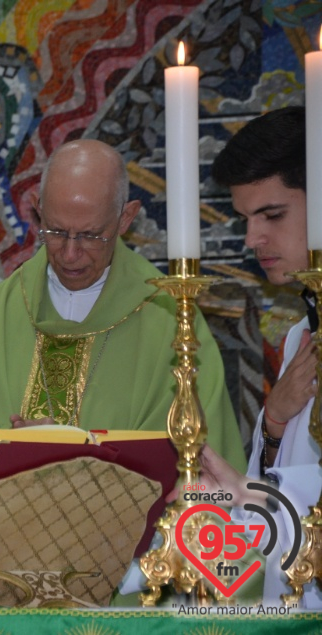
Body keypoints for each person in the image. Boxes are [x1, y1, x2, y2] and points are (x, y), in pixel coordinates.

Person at [0, 139, 247, 595]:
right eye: (56, 231)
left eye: (89, 235)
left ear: (126, 218)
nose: (69, 253)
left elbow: (202, 467)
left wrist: (76, 463)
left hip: (130, 592)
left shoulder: (171, 321)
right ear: (37, 211)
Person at [198, 105, 320, 606]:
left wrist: (249, 494)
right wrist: (271, 426)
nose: (252, 240)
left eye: (272, 215)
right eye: (247, 220)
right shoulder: (300, 337)